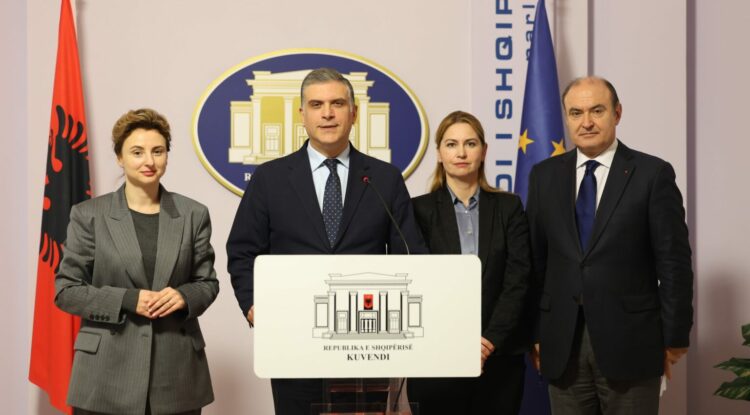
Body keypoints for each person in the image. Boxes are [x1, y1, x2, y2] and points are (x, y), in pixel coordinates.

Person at [226, 67, 427, 414]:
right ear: (302, 114)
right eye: (316, 105)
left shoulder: (385, 179)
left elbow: (411, 255)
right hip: (293, 340)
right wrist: (253, 304)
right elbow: (243, 251)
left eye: (337, 103)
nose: (328, 113)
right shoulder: (270, 179)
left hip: (366, 343)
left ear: (354, 113)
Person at [526, 77, 694, 414]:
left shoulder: (652, 174)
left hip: (633, 343)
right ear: (566, 118)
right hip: (562, 343)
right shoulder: (544, 176)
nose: (586, 122)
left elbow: (673, 263)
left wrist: (675, 336)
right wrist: (535, 332)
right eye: (576, 113)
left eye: (597, 111)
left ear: (617, 113)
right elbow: (535, 262)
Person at [55, 108, 219, 415]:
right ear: (119, 157)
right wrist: (128, 300)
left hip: (176, 374)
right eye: (137, 152)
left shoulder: (193, 214)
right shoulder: (89, 215)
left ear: (167, 155)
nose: (149, 161)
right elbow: (67, 291)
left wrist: (184, 296)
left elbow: (207, 283)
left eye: (158, 151)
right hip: (104, 376)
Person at [406, 111, 531, 414]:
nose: (461, 153)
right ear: (439, 153)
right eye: (451, 144)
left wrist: (488, 341)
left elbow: (518, 280)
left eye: (470, 143)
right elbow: (417, 285)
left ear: (484, 151)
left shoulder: (509, 207)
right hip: (438, 358)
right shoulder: (417, 211)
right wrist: (457, 342)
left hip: (499, 358)